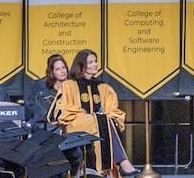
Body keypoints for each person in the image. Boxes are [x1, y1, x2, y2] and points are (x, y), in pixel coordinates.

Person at [54, 49, 139, 177]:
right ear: (82, 65)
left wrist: (101, 118)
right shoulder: (69, 85)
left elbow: (113, 111)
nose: (95, 64)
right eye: (91, 62)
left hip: (101, 127)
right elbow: (63, 111)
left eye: (95, 61)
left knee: (104, 121)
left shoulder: (104, 88)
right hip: (75, 125)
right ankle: (122, 161)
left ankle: (110, 167)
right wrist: (91, 117)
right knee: (101, 121)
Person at [27, 54, 69, 129]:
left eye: (63, 67)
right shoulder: (44, 93)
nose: (62, 71)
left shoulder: (73, 87)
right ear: (52, 72)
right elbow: (42, 116)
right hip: (51, 127)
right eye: (58, 69)